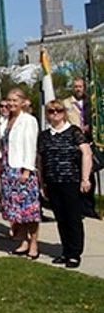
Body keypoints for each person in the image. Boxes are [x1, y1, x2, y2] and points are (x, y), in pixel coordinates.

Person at [38, 100, 93, 269]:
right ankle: (66, 251)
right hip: (52, 182)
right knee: (61, 219)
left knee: (73, 218)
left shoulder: (74, 132)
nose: (55, 113)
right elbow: (40, 160)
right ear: (47, 114)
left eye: (58, 110)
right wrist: (42, 183)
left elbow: (86, 153)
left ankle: (75, 253)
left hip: (71, 181)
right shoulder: (45, 135)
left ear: (64, 112)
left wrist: (85, 178)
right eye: (51, 111)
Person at [0, 87, 41, 259]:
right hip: (8, 168)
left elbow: (30, 145)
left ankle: (33, 243)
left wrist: (27, 169)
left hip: (22, 169)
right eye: (9, 100)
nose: (11, 103)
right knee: (16, 211)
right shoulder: (6, 120)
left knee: (29, 210)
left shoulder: (28, 120)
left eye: (15, 100)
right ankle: (23, 240)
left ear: (23, 102)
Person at [62, 78, 99, 219]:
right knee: (76, 176)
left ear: (84, 88)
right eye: (75, 86)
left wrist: (91, 127)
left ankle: (89, 207)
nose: (78, 89)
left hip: (89, 142)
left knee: (90, 175)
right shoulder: (66, 103)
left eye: (80, 86)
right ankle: (77, 207)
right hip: (73, 142)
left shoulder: (91, 102)